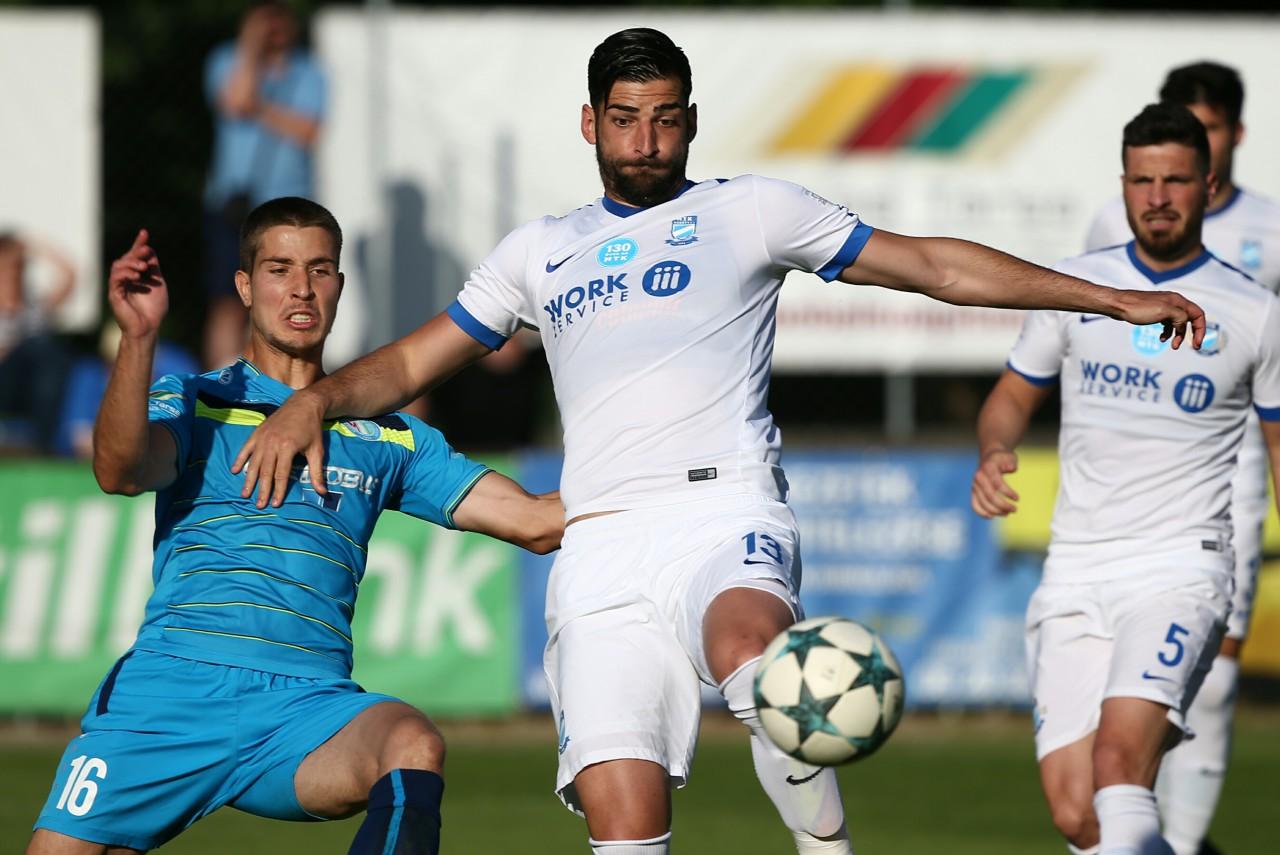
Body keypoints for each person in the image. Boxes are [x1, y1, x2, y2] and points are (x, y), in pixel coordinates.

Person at [232, 30, 1205, 855]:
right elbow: (412, 362)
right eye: (625, 118)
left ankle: (825, 846)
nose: (646, 139)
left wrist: (1105, 297)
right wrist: (315, 404)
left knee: (752, 652)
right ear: (590, 123)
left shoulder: (750, 211)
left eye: (665, 118)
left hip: (722, 508)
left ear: (691, 120)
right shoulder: (536, 251)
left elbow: (933, 268)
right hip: (599, 544)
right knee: (625, 823)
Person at [26, 197, 563, 855]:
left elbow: (536, 521)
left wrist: (664, 478)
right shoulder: (199, 403)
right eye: (279, 269)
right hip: (171, 695)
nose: (302, 288)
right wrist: (138, 338)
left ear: (339, 284)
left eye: (320, 269)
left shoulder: (389, 436)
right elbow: (119, 468)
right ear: (245, 287)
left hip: (304, 713)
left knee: (412, 742)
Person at [972, 103, 1280, 855]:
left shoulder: (1256, 313)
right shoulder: (1076, 287)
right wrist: (993, 449)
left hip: (1181, 570)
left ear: (1210, 186)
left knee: (1119, 766)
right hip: (1076, 570)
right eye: (1143, 181)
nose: (1158, 198)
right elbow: (1011, 395)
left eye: (1176, 180)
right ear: (1122, 185)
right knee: (1077, 814)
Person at [1083, 62, 1280, 855]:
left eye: (1214, 126)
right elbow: (1087, 317)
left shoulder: (1270, 228)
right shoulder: (1112, 221)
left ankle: (1183, 839)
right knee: (1119, 687)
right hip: (1130, 474)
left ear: (1233, 136)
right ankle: (1138, 826)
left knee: (1217, 671)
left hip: (1232, 465)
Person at [203, 1, 326, 369]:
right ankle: (222, 381)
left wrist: (259, 107)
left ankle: (280, 376)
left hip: (287, 204)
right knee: (228, 298)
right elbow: (234, 101)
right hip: (232, 201)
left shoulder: (309, 71)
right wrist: (250, 48)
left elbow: (307, 131)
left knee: (287, 294)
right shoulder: (227, 60)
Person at [0, 231, 78, 452]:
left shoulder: (35, 307)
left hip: (31, 381)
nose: (12, 273)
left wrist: (33, 247)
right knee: (40, 347)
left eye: (18, 266)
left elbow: (70, 274)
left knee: (52, 353)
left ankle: (43, 442)